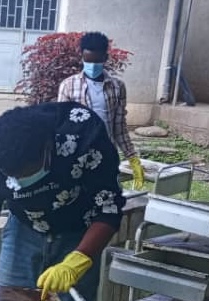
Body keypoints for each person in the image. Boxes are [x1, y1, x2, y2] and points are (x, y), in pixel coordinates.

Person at [0, 101, 126, 301]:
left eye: (26, 174)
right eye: (13, 178)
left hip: (78, 232)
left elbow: (109, 207)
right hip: (23, 229)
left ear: (48, 148)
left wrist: (80, 259)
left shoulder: (85, 138)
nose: (18, 184)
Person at [57, 32, 146, 190]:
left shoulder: (117, 87)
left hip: (106, 153)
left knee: (106, 198)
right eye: (88, 60)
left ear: (105, 58)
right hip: (78, 155)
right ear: (82, 57)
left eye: (97, 61)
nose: (92, 65)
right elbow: (62, 125)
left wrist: (133, 160)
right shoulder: (68, 85)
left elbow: (119, 127)